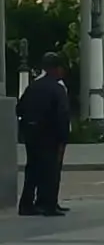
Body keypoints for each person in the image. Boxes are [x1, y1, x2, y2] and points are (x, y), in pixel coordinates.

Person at [16, 52, 71, 217]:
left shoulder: (33, 86)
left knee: (33, 169)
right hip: (51, 135)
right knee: (51, 170)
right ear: (57, 69)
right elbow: (62, 114)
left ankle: (27, 204)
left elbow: (20, 109)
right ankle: (48, 204)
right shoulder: (57, 89)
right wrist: (63, 138)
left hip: (31, 134)